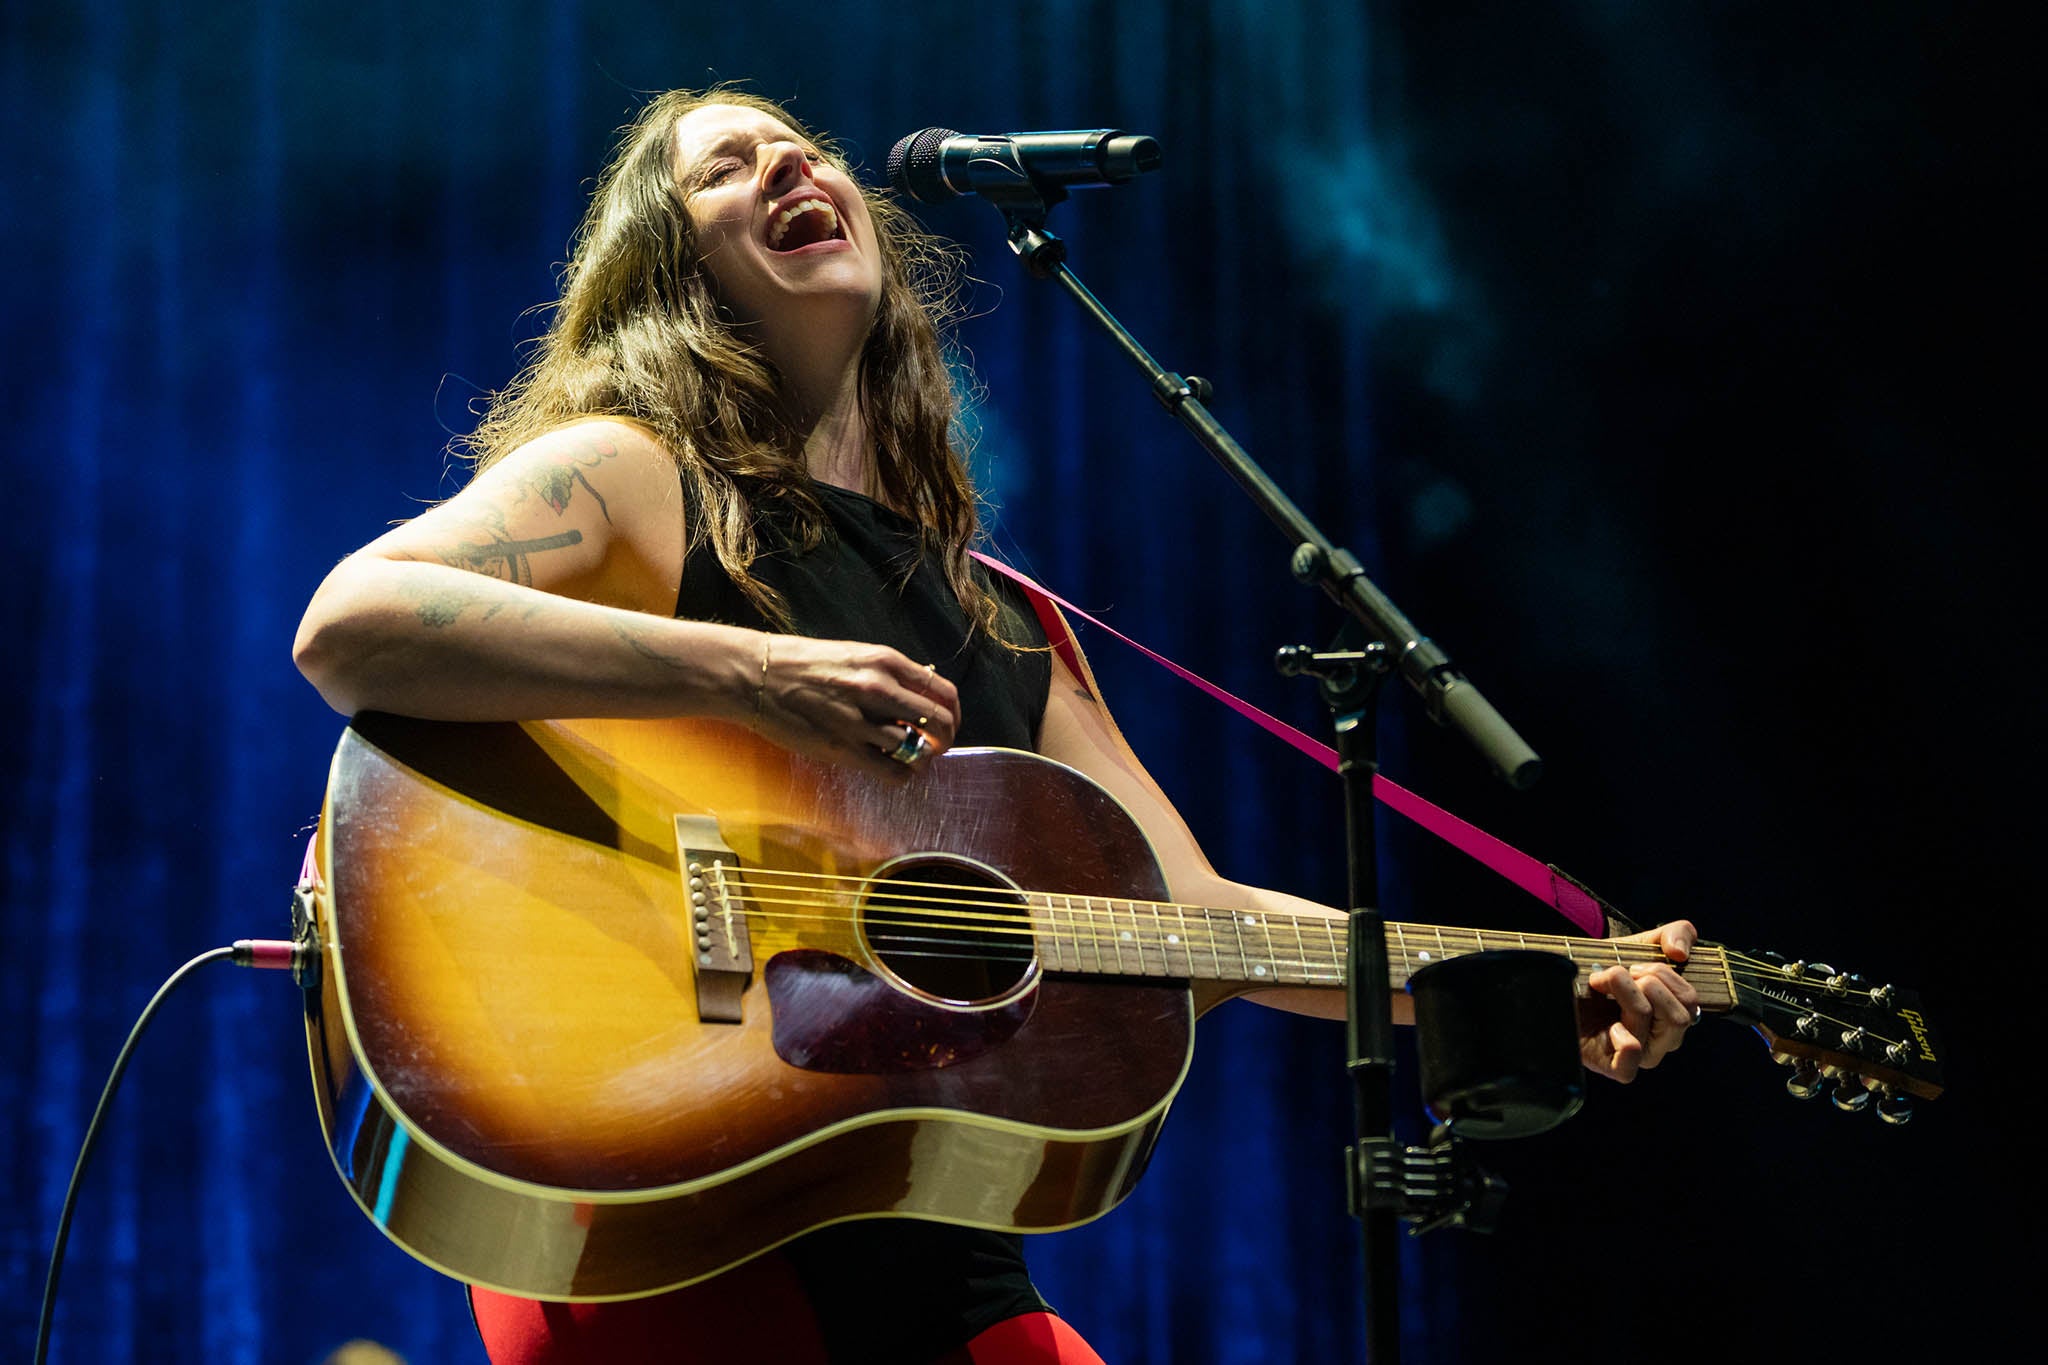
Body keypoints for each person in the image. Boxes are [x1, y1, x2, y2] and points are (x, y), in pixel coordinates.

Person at [293, 85, 1701, 1365]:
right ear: (672, 275)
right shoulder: (630, 472)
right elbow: (352, 623)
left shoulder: (1013, 622)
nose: (789, 159)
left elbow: (1198, 917)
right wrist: (747, 673)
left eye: (802, 145)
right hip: (663, 1179)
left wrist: (1535, 978)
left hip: (926, 1217)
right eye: (728, 167)